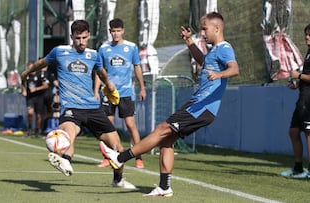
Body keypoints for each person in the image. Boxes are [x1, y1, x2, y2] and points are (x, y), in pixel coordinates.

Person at [99, 12, 239, 196]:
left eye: (204, 29)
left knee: (160, 130)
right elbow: (203, 62)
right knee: (166, 140)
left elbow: (234, 68)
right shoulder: (214, 51)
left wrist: (219, 75)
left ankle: (120, 158)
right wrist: (189, 42)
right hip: (196, 105)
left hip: (201, 108)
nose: (202, 34)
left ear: (217, 28)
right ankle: (164, 187)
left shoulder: (224, 48)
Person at [21, 19, 136, 189]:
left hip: (92, 108)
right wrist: (27, 72)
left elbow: (101, 72)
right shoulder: (60, 52)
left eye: (83, 38)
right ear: (71, 37)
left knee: (117, 147)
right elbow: (41, 63)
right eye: (77, 38)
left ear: (88, 35)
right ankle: (65, 160)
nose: (81, 42)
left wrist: (109, 86)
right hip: (71, 107)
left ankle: (118, 180)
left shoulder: (93, 55)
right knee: (68, 136)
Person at [94, 18, 146, 169]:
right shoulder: (103, 48)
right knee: (107, 126)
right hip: (108, 93)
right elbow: (100, 71)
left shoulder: (131, 47)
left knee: (130, 125)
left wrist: (142, 88)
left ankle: (138, 157)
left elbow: (137, 67)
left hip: (126, 93)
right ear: (110, 32)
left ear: (122, 31)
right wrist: (96, 90)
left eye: (118, 31)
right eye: (113, 31)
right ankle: (107, 157)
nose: (116, 34)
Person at [280, 24, 310, 178]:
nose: (307, 37)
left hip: (309, 101)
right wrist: (297, 83)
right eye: (306, 34)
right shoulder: (309, 53)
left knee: (309, 134)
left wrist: (298, 75)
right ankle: (298, 168)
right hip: (302, 100)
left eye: (309, 35)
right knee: (293, 132)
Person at [21, 61, 49, 137]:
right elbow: (23, 83)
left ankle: (37, 130)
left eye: (31, 68)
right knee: (30, 113)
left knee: (39, 116)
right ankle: (29, 129)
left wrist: (36, 89)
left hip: (39, 97)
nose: (30, 69)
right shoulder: (26, 75)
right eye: (28, 68)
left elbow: (46, 86)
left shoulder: (40, 74)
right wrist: (23, 90)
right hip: (30, 97)